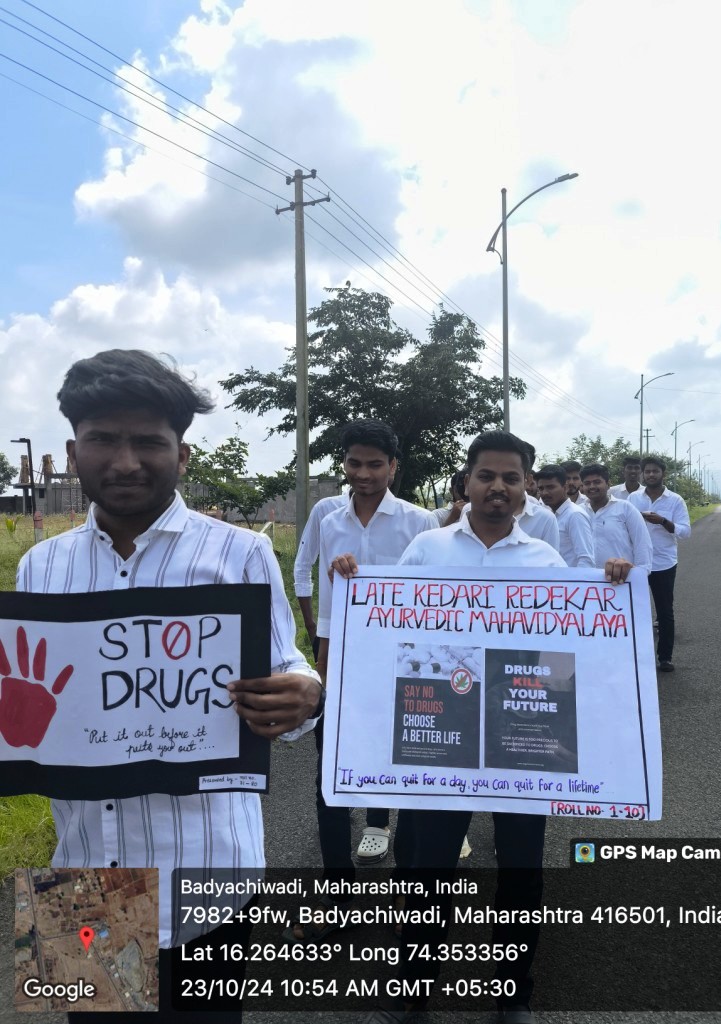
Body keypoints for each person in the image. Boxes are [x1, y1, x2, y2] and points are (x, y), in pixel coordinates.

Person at [15, 350, 323, 1023]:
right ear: (73, 451)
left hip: (206, 877)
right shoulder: (41, 567)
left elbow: (287, 665)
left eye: (148, 442)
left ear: (181, 455)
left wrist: (305, 693)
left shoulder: (238, 554)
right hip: (82, 874)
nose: (125, 462)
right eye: (103, 439)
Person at [345, 432, 632, 1024]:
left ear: (526, 487)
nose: (498, 487)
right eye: (486, 476)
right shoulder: (427, 548)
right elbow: (386, 626)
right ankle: (411, 990)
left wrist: (612, 588)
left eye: (511, 478)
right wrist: (354, 584)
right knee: (426, 871)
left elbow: (571, 650)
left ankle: (513, 992)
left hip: (521, 736)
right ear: (468, 481)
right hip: (440, 735)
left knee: (521, 872)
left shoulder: (545, 561)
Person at [294, 419, 434, 937]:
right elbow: (326, 601)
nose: (364, 473)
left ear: (394, 467)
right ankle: (337, 891)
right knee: (330, 777)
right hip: (343, 663)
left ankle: (406, 887)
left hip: (406, 664)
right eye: (355, 463)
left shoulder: (420, 522)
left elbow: (434, 595)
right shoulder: (330, 520)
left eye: (376, 464)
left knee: (409, 773)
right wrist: (322, 654)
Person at [627, 457, 691, 672]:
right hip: (636, 563)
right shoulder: (633, 498)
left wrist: (663, 521)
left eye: (655, 471)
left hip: (663, 563)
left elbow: (685, 532)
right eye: (647, 471)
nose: (651, 475)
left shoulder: (675, 500)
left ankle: (665, 657)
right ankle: (636, 657)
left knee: (664, 612)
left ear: (664, 473)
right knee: (634, 610)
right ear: (643, 474)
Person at [294, 492, 348, 659]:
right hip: (333, 630)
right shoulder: (326, 510)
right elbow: (303, 565)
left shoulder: (410, 519)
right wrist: (312, 628)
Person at [580, 463, 653, 575]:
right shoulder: (578, 512)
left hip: (621, 578)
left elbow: (642, 544)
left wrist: (641, 574)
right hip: (586, 579)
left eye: (597, 482)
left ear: (608, 484)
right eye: (587, 483)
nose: (592, 486)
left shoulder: (626, 508)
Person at [535, 464, 595, 567]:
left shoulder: (575, 515)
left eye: (550, 487)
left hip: (569, 577)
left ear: (565, 487)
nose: (544, 493)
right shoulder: (550, 515)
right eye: (541, 488)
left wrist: (575, 578)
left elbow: (586, 560)